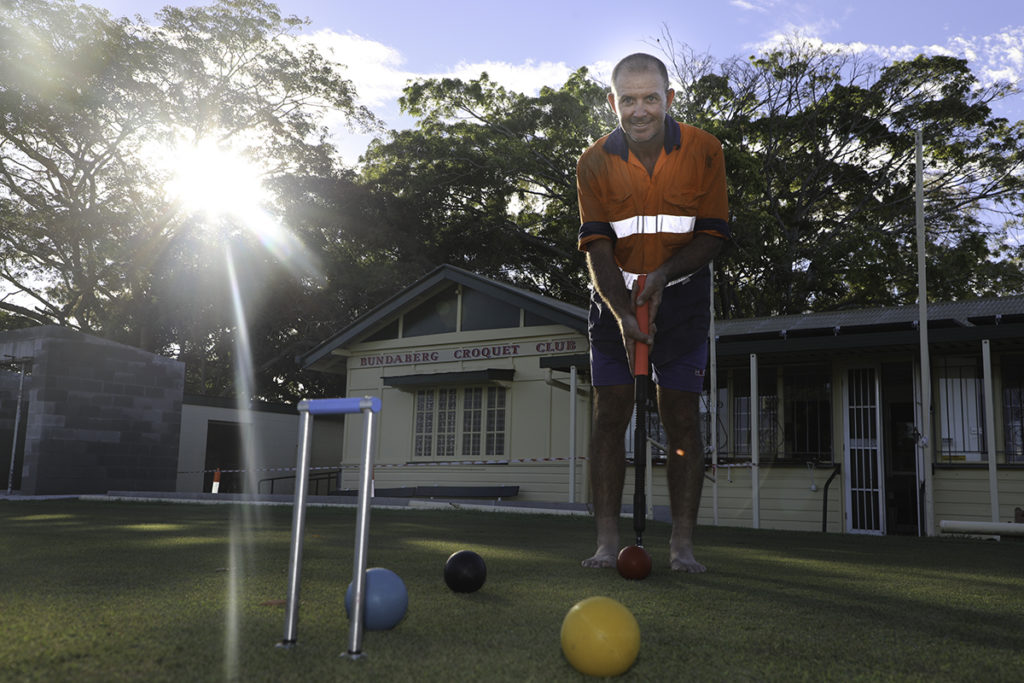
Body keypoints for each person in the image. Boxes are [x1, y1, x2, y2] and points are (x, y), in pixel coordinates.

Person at [576, 53, 729, 572]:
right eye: (627, 99)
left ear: (669, 98)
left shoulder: (705, 150)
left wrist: (662, 278)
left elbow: (713, 234)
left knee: (681, 417)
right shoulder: (592, 160)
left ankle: (682, 546)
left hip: (682, 296)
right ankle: (604, 542)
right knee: (609, 413)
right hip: (614, 297)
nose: (639, 110)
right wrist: (623, 313)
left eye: (650, 98)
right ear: (612, 101)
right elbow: (596, 246)